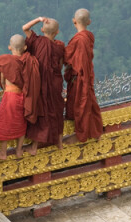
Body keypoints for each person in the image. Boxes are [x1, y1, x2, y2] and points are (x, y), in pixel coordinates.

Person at [0, 34, 40, 160]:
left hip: (10, 96)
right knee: (21, 122)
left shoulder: (5, 61)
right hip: (23, 95)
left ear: (9, 47)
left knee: (4, 122)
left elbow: (2, 80)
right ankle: (19, 151)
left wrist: (5, 89)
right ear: (25, 47)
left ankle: (3, 153)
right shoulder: (29, 61)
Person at [22, 16, 65, 154]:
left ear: (41, 29)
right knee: (57, 111)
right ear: (57, 32)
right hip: (55, 83)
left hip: (40, 84)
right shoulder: (59, 47)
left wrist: (39, 19)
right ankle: (59, 143)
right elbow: (60, 65)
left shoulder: (36, 41)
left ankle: (34, 147)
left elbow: (25, 28)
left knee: (41, 112)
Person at [64, 9, 103, 143]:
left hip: (79, 77)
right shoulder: (88, 36)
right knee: (88, 103)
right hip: (87, 75)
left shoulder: (77, 40)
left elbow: (66, 57)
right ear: (89, 22)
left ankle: (81, 134)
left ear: (74, 21)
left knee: (81, 105)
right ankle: (95, 132)